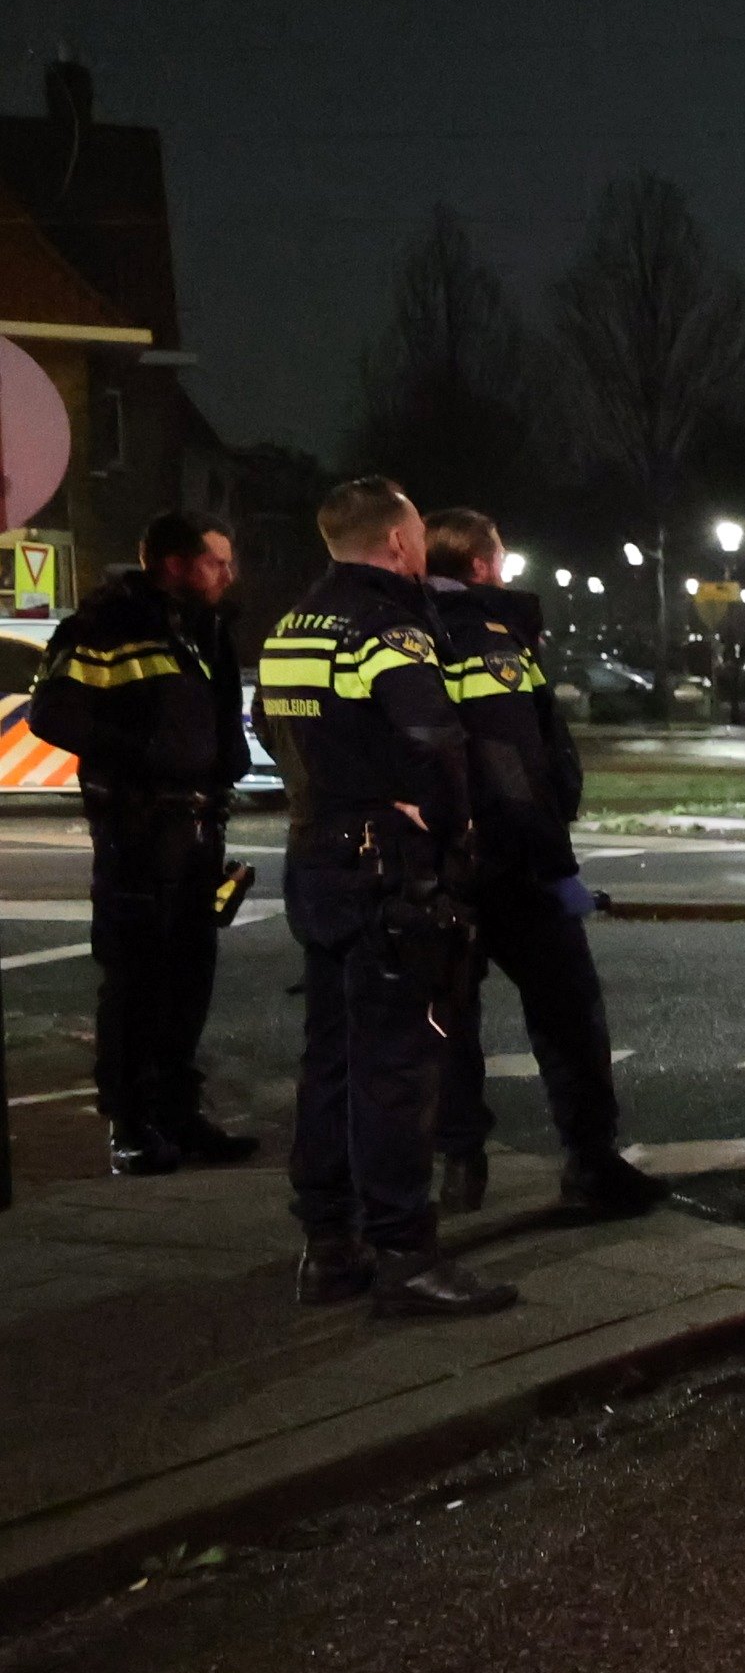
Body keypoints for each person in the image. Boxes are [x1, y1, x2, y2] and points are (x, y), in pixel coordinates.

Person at [253, 476, 517, 1319]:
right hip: (383, 870)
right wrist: (439, 819)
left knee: (326, 1061)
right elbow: (433, 738)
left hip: (314, 855)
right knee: (397, 1067)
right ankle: (406, 1253)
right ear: (400, 544)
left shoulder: (292, 624)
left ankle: (328, 1246)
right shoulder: (390, 627)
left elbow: (272, 728)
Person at [421, 508, 661, 1219]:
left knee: (447, 1019)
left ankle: (461, 1163)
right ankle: (590, 1164)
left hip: (439, 861)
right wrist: (553, 864)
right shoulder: (489, 635)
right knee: (566, 1012)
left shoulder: (402, 626)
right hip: (511, 862)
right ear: (482, 566)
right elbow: (510, 760)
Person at [29, 510, 257, 1175]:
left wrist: (224, 761)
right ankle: (129, 1125)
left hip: (196, 827)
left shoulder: (206, 626)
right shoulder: (104, 625)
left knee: (190, 976)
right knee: (135, 979)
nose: (228, 573)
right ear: (174, 563)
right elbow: (52, 713)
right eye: (216, 561)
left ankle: (180, 1116)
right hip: (137, 828)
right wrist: (145, 756)